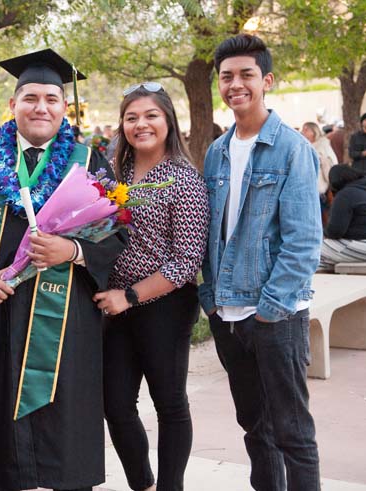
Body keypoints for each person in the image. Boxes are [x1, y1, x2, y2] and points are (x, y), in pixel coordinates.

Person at [0, 49, 124, 491]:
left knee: (65, 427)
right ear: (13, 105)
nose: (40, 107)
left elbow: (116, 235)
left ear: (66, 107)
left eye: (51, 98)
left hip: (67, 322)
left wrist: (72, 250)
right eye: (30, 98)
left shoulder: (89, 163)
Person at [199, 34, 321, 491]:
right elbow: (213, 232)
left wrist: (271, 307)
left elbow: (304, 240)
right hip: (226, 313)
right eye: (227, 76)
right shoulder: (216, 151)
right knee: (255, 428)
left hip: (274, 315)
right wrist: (210, 297)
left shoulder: (291, 148)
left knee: (293, 432)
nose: (236, 84)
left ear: (266, 80)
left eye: (246, 74)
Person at [95, 82, 209, 491]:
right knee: (116, 404)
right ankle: (142, 483)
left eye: (150, 116)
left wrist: (130, 297)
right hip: (114, 304)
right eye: (131, 117)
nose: (140, 124)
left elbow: (186, 262)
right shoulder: (111, 174)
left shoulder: (184, 181)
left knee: (170, 403)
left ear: (168, 122)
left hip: (163, 304)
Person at [319, 164, 366, 270]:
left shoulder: (345, 195)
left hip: (361, 245)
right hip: (361, 245)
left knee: (313, 249)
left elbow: (335, 231)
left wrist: (323, 232)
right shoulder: (361, 188)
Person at [301, 121, 337, 224]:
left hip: (320, 188)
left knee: (321, 218)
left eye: (306, 129)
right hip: (305, 187)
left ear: (314, 131)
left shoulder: (323, 144)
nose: (303, 132)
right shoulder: (303, 145)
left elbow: (332, 162)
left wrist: (321, 159)